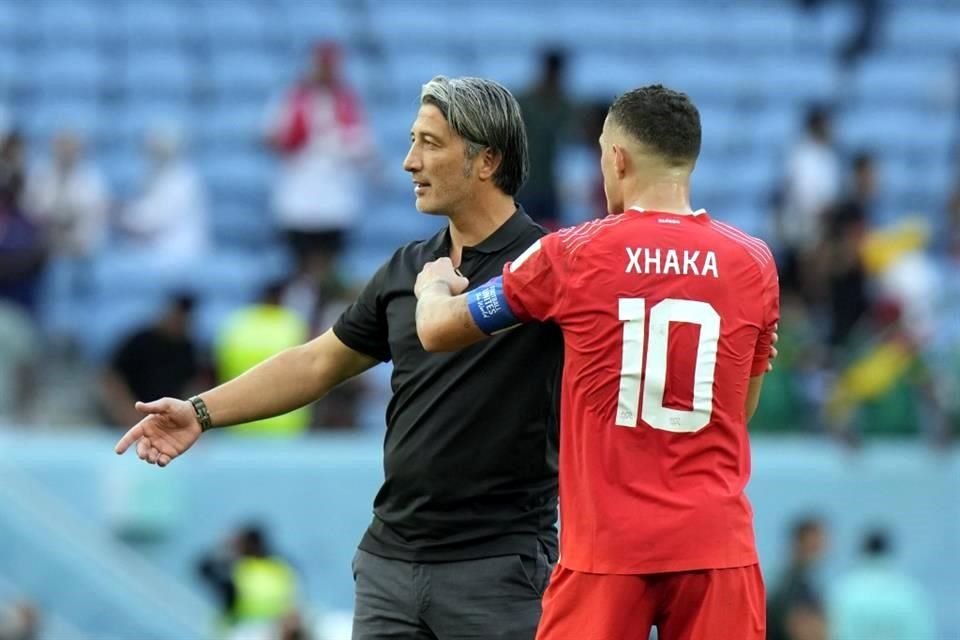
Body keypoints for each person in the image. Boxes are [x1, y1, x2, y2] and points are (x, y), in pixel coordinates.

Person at [115, 76, 563, 639]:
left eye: (429, 143)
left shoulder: (549, 267)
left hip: (498, 572)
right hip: (389, 568)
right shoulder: (405, 268)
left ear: (486, 160)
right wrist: (200, 412)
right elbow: (316, 362)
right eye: (411, 140)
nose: (408, 162)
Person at [414, 85, 778, 639]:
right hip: (717, 548)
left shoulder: (572, 253)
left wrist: (434, 286)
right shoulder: (754, 264)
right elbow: (736, 411)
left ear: (617, 159)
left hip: (607, 551)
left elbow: (439, 331)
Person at [266, 41, 376, 280]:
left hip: (336, 198)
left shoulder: (348, 102)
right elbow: (272, 137)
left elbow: (363, 146)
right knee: (299, 261)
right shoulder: (293, 99)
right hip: (299, 195)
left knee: (330, 261)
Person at [101, 294, 204, 428]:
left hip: (165, 423)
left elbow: (193, 385)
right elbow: (111, 378)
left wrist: (188, 415)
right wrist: (128, 413)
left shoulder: (187, 347)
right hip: (129, 420)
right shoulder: (140, 341)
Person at [828, 528, 936, 640]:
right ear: (889, 551)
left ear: (862, 551)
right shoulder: (911, 592)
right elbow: (923, 633)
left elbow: (832, 632)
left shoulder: (843, 590)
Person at [767, 517, 829, 640]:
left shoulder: (790, 579)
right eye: (815, 544)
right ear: (798, 543)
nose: (822, 548)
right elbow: (801, 629)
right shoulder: (792, 583)